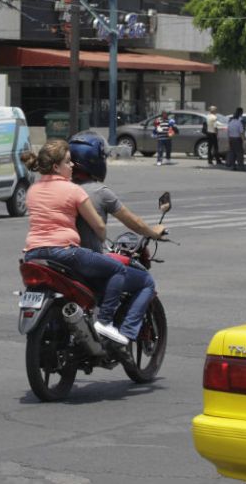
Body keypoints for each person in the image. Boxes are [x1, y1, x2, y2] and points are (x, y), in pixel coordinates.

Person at [22, 139, 128, 344]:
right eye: (68, 162)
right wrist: (102, 238)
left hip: (33, 255)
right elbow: (98, 226)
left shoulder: (33, 190)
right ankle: (105, 322)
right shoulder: (74, 190)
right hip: (64, 253)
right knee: (117, 270)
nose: (72, 166)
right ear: (56, 166)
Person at [69, 131, 166, 345]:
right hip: (88, 263)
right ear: (95, 160)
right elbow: (133, 222)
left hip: (57, 259)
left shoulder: (58, 188)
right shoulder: (100, 192)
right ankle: (124, 334)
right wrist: (152, 231)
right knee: (145, 282)